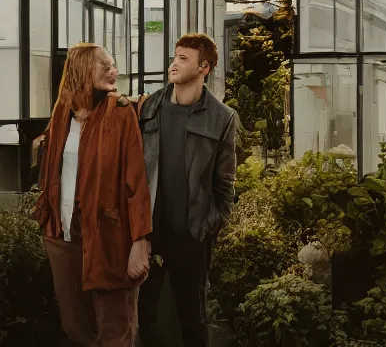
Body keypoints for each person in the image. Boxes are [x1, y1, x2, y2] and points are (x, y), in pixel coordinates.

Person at [33, 43, 152, 347]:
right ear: (83, 69)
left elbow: (136, 182)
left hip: (108, 235)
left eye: (114, 66)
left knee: (115, 328)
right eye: (105, 66)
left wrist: (140, 241)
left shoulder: (121, 113)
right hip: (64, 236)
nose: (115, 72)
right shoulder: (62, 113)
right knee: (76, 328)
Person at [134, 34, 237, 347]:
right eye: (174, 57)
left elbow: (225, 185)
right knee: (144, 320)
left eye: (183, 59)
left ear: (203, 67)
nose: (173, 65)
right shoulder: (148, 107)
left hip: (192, 238)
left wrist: (205, 228)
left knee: (193, 322)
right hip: (148, 236)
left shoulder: (222, 117)